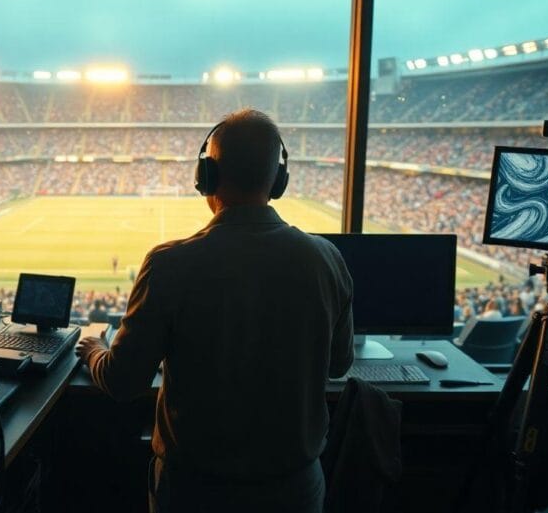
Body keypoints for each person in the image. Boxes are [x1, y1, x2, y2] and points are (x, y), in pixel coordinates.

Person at [76, 109, 354, 513]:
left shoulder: (169, 264)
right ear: (278, 180)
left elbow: (123, 382)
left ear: (206, 175)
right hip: (295, 490)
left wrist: (93, 351)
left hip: (194, 492)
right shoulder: (327, 259)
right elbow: (339, 364)